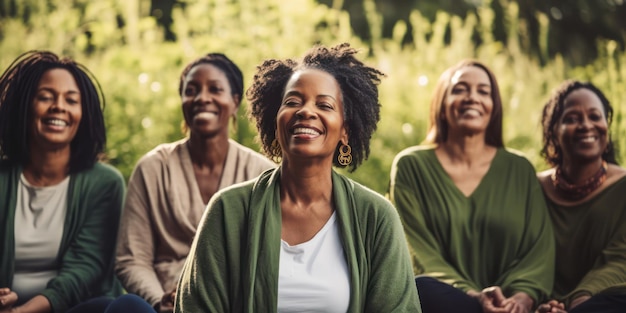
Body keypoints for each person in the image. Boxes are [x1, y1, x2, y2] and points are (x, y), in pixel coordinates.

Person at [174, 43, 421, 312]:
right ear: (275, 121)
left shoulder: (376, 217)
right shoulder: (229, 210)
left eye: (324, 105)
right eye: (292, 102)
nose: (306, 111)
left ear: (345, 131)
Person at [389, 59, 555, 313]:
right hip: (446, 303)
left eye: (483, 92)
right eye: (460, 89)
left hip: (512, 308)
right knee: (423, 289)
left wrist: (520, 299)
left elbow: (539, 252)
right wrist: (472, 296)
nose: (472, 98)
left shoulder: (519, 169)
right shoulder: (411, 167)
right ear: (442, 105)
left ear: (493, 107)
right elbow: (416, 250)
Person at [114, 52, 275, 312]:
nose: (202, 98)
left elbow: (269, 263)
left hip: (230, 304)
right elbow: (132, 259)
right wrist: (160, 299)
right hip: (162, 304)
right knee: (125, 306)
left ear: (234, 102)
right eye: (191, 90)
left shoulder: (261, 174)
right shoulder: (154, 168)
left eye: (215, 89)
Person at [0, 51, 125, 313]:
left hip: (77, 308)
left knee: (128, 306)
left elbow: (86, 268)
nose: (59, 106)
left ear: (84, 113)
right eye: (45, 97)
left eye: (71, 100)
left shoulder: (105, 183)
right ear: (24, 105)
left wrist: (23, 312)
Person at [535, 80, 626, 313]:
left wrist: (578, 301)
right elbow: (522, 259)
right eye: (572, 119)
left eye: (595, 116)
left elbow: (620, 259)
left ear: (607, 126)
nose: (586, 125)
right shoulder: (532, 188)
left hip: (602, 302)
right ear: (553, 131)